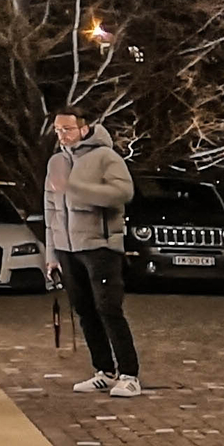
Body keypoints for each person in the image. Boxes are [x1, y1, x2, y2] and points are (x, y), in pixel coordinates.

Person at [43, 108, 141, 398]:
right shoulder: (56, 162)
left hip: (100, 247)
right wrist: (52, 254)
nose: (62, 136)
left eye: (67, 130)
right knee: (85, 311)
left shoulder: (106, 157)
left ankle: (129, 375)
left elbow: (122, 194)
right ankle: (104, 371)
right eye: (58, 130)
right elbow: (50, 209)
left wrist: (74, 187)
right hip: (67, 249)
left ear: (84, 129)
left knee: (108, 309)